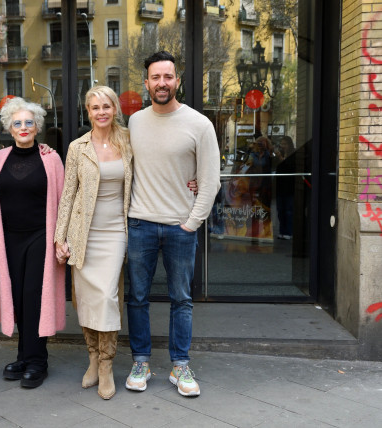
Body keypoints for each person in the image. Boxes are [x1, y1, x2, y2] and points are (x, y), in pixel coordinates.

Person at [125, 51, 221, 397]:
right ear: (146, 82)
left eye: (168, 77)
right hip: (140, 225)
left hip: (181, 227)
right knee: (136, 297)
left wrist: (192, 223)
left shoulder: (199, 124)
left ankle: (180, 365)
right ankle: (141, 360)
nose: (162, 83)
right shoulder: (135, 122)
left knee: (181, 298)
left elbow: (210, 181)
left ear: (177, 80)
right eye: (155, 77)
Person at [54, 86, 133, 400]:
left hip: (116, 232)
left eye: (107, 106)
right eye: (95, 107)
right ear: (87, 112)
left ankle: (106, 364)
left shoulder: (128, 141)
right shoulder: (78, 147)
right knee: (85, 299)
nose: (101, 112)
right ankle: (91, 357)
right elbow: (68, 195)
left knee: (106, 296)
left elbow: (153, 172)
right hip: (82, 232)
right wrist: (60, 238)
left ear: (115, 108)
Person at [0, 97, 66, 389]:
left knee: (36, 296)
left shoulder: (52, 158)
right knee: (18, 297)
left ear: (37, 128)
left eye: (29, 123)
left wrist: (61, 240)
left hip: (41, 237)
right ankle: (23, 356)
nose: (23, 127)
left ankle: (38, 361)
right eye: (17, 123)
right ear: (10, 128)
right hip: (9, 239)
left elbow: (62, 202)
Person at [275, 136, 296, 239]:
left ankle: (289, 232)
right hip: (280, 187)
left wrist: (281, 158)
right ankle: (282, 231)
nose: (283, 146)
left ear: (289, 145)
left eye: (285, 144)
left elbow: (290, 167)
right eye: (282, 144)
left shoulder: (293, 155)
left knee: (288, 211)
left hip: (289, 187)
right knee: (280, 211)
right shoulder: (279, 154)